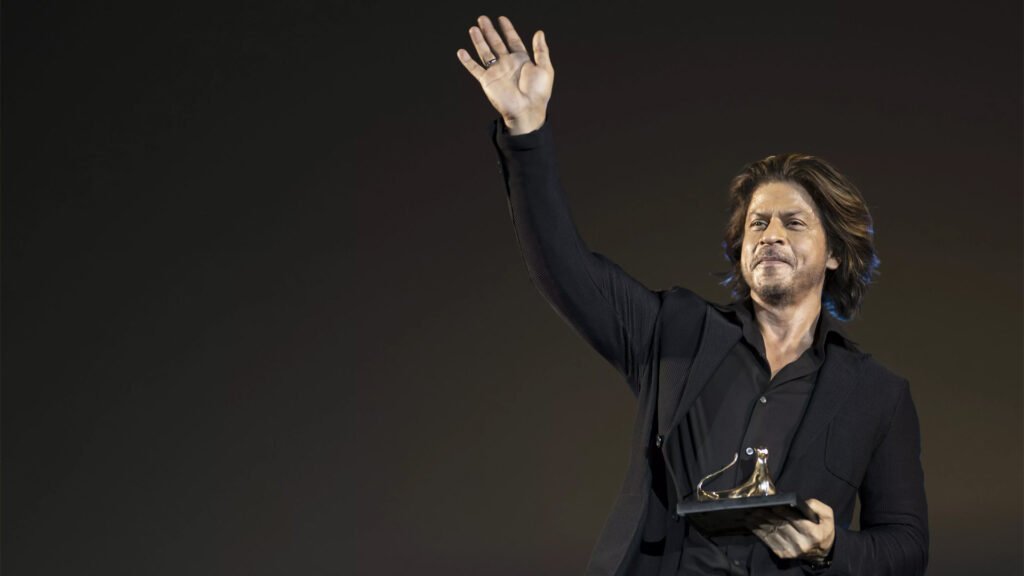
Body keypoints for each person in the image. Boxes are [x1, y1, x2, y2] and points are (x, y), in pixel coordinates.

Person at [457, 15, 928, 575]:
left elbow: (906, 547)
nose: (770, 234)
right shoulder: (675, 332)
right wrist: (526, 130)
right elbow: (566, 268)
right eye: (757, 223)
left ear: (834, 253)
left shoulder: (877, 395)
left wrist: (833, 547)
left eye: (794, 223)